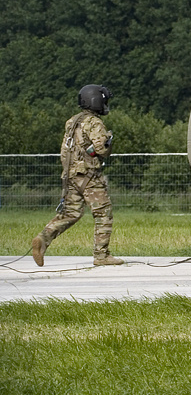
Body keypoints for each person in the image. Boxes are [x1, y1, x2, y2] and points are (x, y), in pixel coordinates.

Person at [30, 85, 124, 266]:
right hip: (89, 176)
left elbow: (64, 152)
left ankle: (43, 239)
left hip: (71, 175)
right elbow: (101, 149)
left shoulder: (72, 122)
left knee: (70, 213)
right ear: (97, 101)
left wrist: (69, 172)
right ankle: (102, 255)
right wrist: (108, 143)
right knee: (103, 213)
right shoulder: (94, 123)